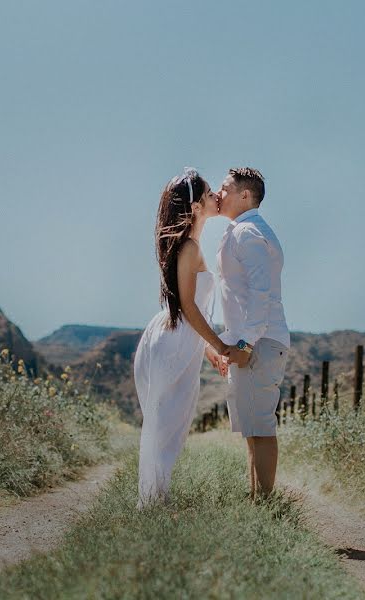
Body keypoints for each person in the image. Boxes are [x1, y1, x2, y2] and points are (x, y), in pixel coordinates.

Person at [133, 168, 230, 508]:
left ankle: (156, 499)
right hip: (173, 343)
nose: (215, 196)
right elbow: (189, 307)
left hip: (179, 341)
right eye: (208, 195)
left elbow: (191, 310)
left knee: (170, 425)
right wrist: (220, 345)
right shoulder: (188, 247)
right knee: (166, 425)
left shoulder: (191, 245)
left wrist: (208, 353)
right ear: (196, 207)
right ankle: (153, 504)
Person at [216, 167, 290, 501]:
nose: (219, 194)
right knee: (251, 427)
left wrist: (244, 343)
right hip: (250, 339)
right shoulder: (244, 230)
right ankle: (256, 500)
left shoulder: (247, 233)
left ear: (245, 195)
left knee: (260, 425)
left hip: (258, 341)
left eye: (225, 188)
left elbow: (262, 293)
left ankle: (266, 504)